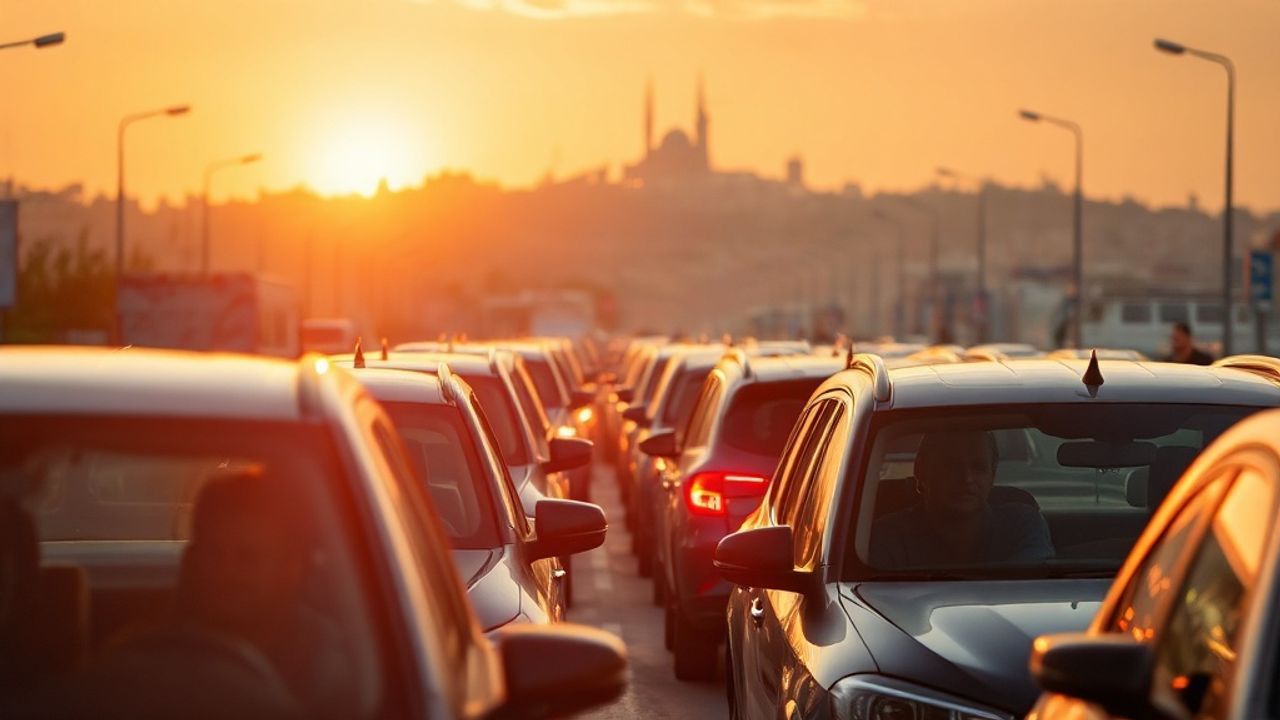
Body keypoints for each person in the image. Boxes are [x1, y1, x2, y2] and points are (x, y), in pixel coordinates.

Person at [871, 430, 1054, 568]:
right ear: (922, 470)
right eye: (951, 466)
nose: (967, 478)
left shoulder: (1021, 524)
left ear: (992, 475)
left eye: (978, 467)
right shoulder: (888, 537)